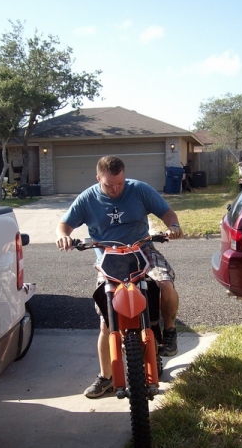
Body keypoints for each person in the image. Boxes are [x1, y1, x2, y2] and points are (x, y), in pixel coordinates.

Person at [55, 155, 183, 398]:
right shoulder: (87, 198)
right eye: (109, 185)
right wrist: (63, 236)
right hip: (109, 258)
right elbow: (64, 225)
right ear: (98, 178)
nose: (116, 189)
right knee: (106, 322)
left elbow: (167, 213)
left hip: (142, 250)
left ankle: (169, 331)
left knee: (165, 284)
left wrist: (173, 227)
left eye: (120, 184)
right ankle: (107, 377)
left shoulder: (139, 190)